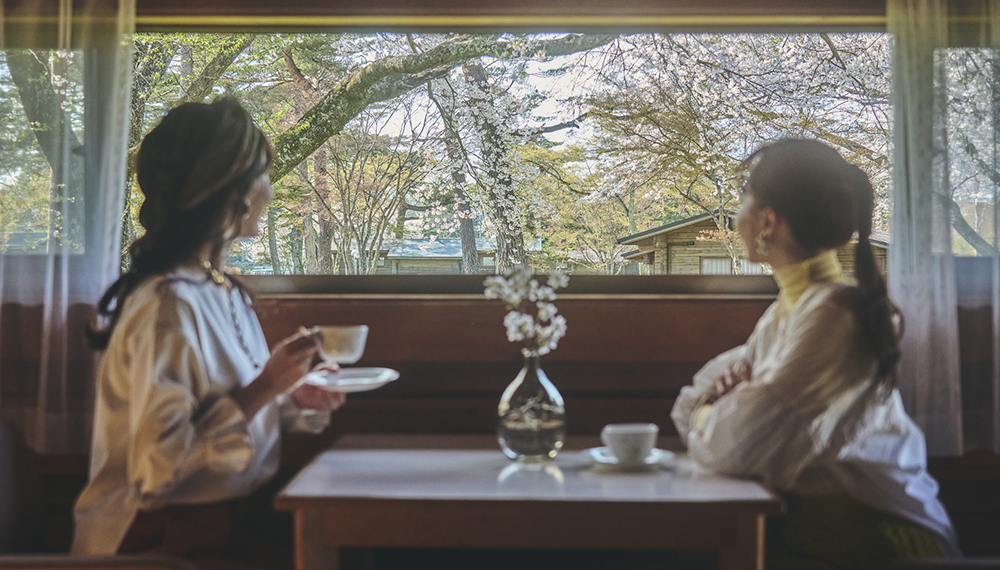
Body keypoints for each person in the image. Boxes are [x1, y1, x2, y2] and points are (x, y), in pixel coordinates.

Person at [73, 98, 345, 561]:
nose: (270, 189)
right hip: (157, 545)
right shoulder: (168, 307)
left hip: (228, 522)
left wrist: (293, 396)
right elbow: (158, 470)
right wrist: (266, 386)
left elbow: (228, 415)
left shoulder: (219, 290)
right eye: (261, 175)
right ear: (231, 193)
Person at [671, 139, 960, 568]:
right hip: (816, 541)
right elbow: (687, 405)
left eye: (743, 200)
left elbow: (733, 446)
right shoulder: (787, 312)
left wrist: (718, 407)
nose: (737, 218)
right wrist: (719, 408)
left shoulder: (833, 317)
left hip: (884, 542)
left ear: (768, 220)